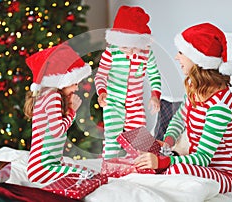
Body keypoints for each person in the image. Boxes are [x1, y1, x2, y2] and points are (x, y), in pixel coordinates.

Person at [134, 22, 232, 193]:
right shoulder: (194, 90)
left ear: (198, 59)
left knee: (173, 170)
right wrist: (168, 142)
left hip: (228, 175)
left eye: (181, 53)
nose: (176, 57)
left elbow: (203, 157)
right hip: (202, 166)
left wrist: (165, 161)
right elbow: (179, 118)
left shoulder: (220, 104)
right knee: (151, 165)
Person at [95, 5, 162, 159]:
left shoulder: (146, 53)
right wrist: (102, 92)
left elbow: (154, 75)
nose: (130, 52)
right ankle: (109, 166)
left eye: (135, 47)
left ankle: (139, 168)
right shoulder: (111, 52)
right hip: (112, 102)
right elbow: (100, 76)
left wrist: (155, 95)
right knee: (112, 136)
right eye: (125, 47)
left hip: (135, 103)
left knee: (139, 139)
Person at [23, 43, 93, 183]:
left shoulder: (49, 95)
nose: (76, 87)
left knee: (88, 173)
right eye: (74, 82)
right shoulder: (53, 96)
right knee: (87, 176)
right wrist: (72, 111)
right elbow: (57, 132)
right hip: (42, 169)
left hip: (50, 165)